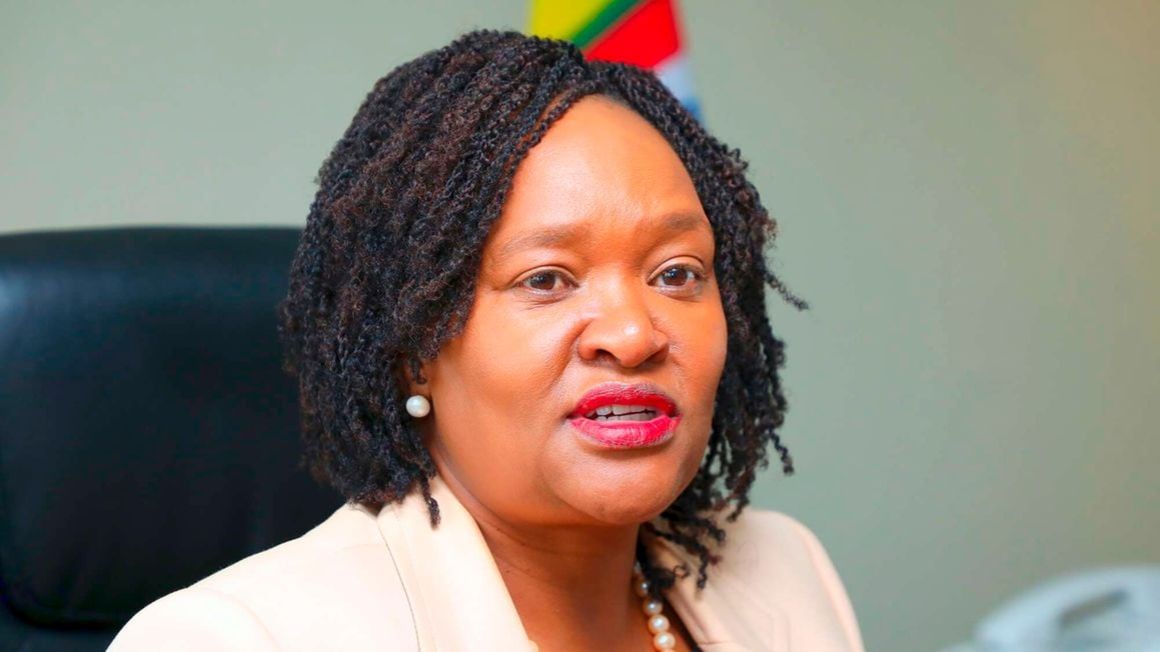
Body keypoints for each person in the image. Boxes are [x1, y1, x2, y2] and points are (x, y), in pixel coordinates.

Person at [109, 30, 863, 651]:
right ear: (414, 351)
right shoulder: (232, 639)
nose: (634, 334)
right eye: (547, 279)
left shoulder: (786, 573)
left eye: (676, 273)